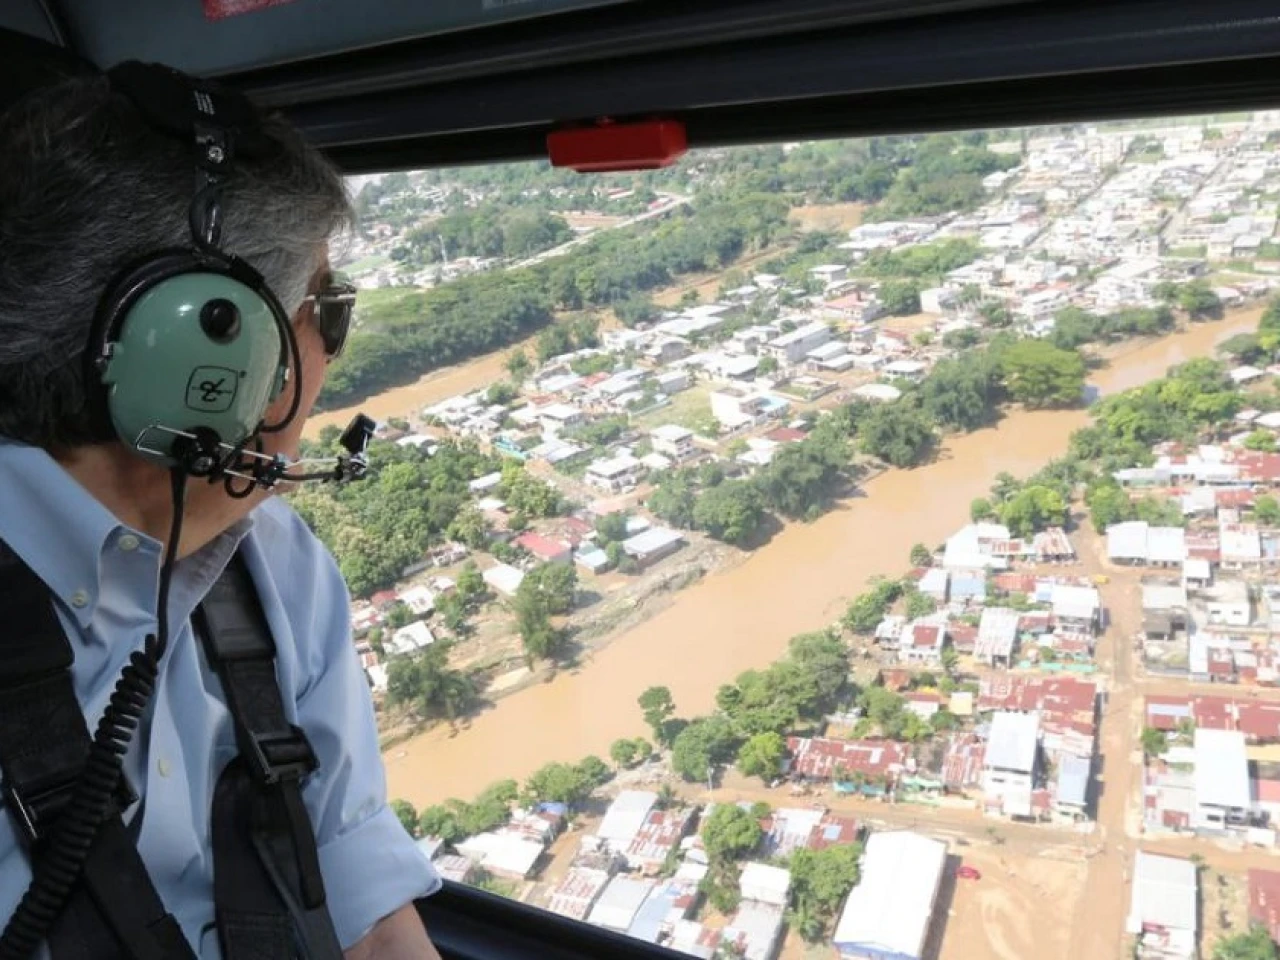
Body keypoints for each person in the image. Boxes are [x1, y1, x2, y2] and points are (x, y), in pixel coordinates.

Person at [0, 55, 442, 960]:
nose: (333, 351)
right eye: (328, 309)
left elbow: (369, 913)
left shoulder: (277, 560)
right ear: (209, 356)